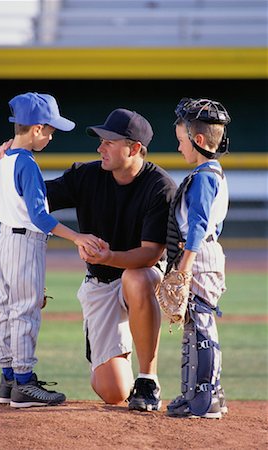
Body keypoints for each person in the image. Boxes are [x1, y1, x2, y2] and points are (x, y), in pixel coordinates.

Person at [45, 108, 177, 410]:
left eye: (109, 141)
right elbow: (35, 196)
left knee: (136, 276)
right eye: (101, 140)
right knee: (113, 392)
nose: (100, 147)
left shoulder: (160, 187)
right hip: (101, 282)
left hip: (142, 276)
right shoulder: (87, 175)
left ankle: (148, 379)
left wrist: (109, 255)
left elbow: (149, 254)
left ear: (133, 148)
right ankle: (121, 360)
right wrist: (10, 165)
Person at [0, 92, 102, 408]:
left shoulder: (4, 158)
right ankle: (24, 384)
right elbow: (40, 216)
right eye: (50, 129)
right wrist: (77, 237)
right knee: (25, 310)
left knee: (7, 308)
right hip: (25, 243)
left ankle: (9, 379)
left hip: (4, 241)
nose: (52, 135)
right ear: (37, 128)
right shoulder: (25, 163)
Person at [164, 97, 231, 419]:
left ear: (199, 140)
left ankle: (204, 399)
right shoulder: (209, 172)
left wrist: (185, 266)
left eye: (181, 141)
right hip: (202, 252)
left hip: (199, 254)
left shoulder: (204, 176)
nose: (179, 148)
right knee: (195, 324)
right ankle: (200, 393)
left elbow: (199, 224)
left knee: (200, 325)